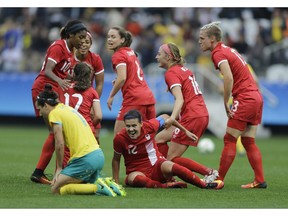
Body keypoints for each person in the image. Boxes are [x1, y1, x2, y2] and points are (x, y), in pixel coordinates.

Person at [199, 21, 267, 189]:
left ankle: (218, 179)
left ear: (212, 39)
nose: (199, 42)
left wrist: (226, 101)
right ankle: (259, 180)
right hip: (256, 97)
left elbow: (228, 78)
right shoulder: (229, 49)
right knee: (248, 141)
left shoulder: (218, 53)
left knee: (229, 139)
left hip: (245, 98)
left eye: (202, 39)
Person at [36, 84, 125, 196]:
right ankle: (107, 183)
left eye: (39, 109)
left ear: (46, 105)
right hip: (98, 155)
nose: (39, 113)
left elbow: (59, 143)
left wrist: (59, 168)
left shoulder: (54, 114)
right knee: (81, 182)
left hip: (85, 159)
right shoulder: (66, 108)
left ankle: (97, 187)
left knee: (56, 188)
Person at [30, 20, 88, 184]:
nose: (83, 41)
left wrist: (73, 78)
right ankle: (41, 172)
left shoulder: (70, 50)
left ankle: (42, 172)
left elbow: (60, 71)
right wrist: (60, 81)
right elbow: (48, 70)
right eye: (80, 37)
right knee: (56, 133)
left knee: (57, 133)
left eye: (85, 38)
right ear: (71, 35)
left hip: (52, 90)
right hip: (44, 89)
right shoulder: (59, 46)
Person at [154, 42, 220, 186]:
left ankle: (209, 172)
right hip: (199, 113)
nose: (156, 57)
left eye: (159, 54)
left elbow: (180, 99)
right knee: (159, 139)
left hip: (193, 116)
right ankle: (167, 175)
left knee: (171, 158)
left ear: (169, 57)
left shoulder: (171, 73)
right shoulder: (183, 69)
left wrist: (172, 117)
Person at [112, 109, 222, 189]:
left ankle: (204, 185)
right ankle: (165, 186)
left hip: (156, 166)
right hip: (136, 172)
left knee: (171, 165)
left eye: (134, 126)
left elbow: (165, 117)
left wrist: (185, 131)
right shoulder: (120, 138)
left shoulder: (149, 126)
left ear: (141, 124)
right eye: (128, 126)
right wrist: (116, 182)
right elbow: (116, 160)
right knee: (134, 179)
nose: (131, 129)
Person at [106, 26, 156, 136]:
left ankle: (165, 120)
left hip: (134, 98)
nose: (109, 39)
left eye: (113, 37)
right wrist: (119, 78)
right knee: (147, 137)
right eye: (108, 37)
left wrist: (111, 96)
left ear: (122, 40)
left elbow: (122, 77)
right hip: (148, 96)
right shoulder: (130, 52)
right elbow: (130, 72)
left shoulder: (118, 55)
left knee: (119, 137)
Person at [57, 62, 102, 167]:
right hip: (85, 128)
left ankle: (60, 174)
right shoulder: (92, 91)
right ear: (89, 76)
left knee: (67, 159)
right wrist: (89, 124)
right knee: (87, 157)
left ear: (74, 73)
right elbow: (99, 116)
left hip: (66, 128)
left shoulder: (63, 87)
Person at [73, 31, 105, 144]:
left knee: (94, 138)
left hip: (87, 101)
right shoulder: (68, 57)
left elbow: (100, 84)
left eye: (87, 42)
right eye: (81, 41)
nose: (84, 44)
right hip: (72, 101)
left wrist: (93, 104)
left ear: (91, 44)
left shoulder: (95, 59)